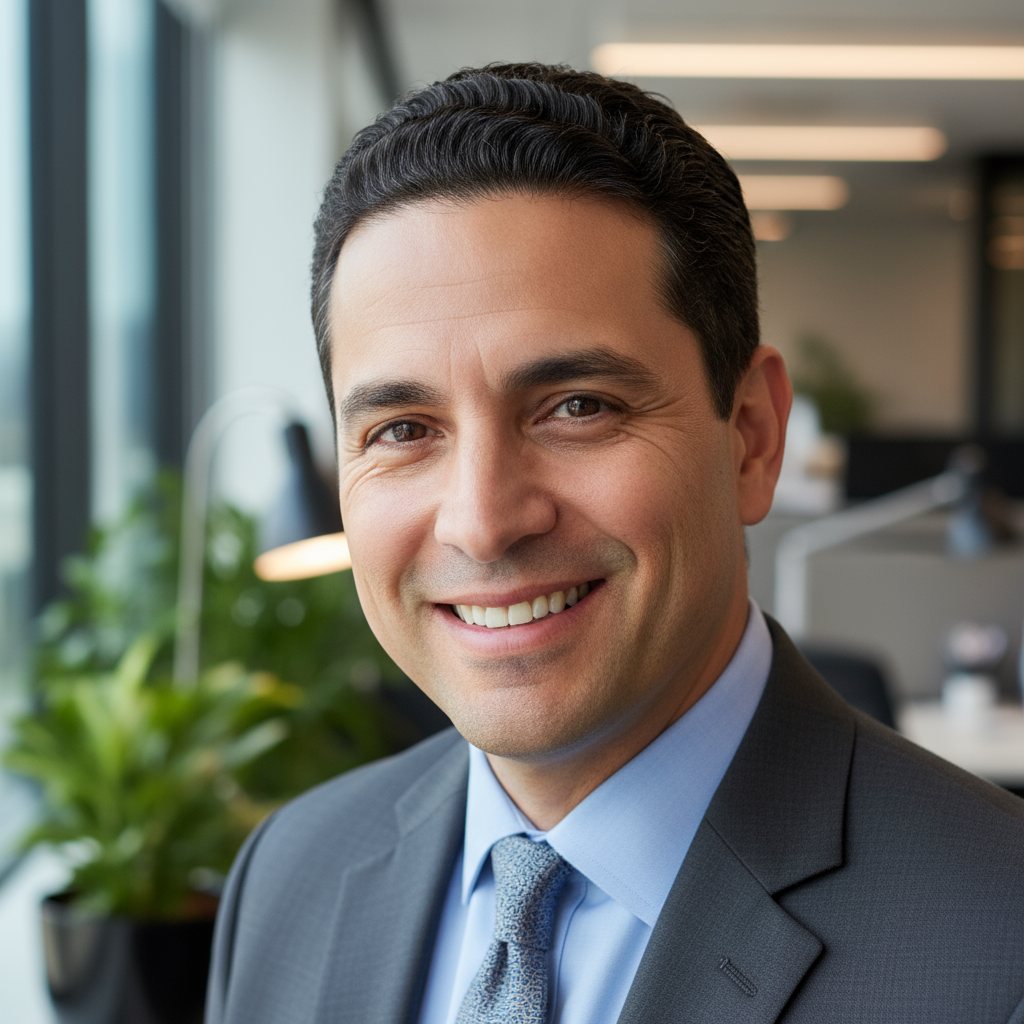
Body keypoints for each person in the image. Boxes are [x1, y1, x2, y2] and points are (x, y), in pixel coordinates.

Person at [206, 64, 1024, 1024]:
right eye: (403, 430)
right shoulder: (290, 875)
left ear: (752, 435)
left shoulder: (996, 946)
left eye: (577, 407)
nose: (482, 519)